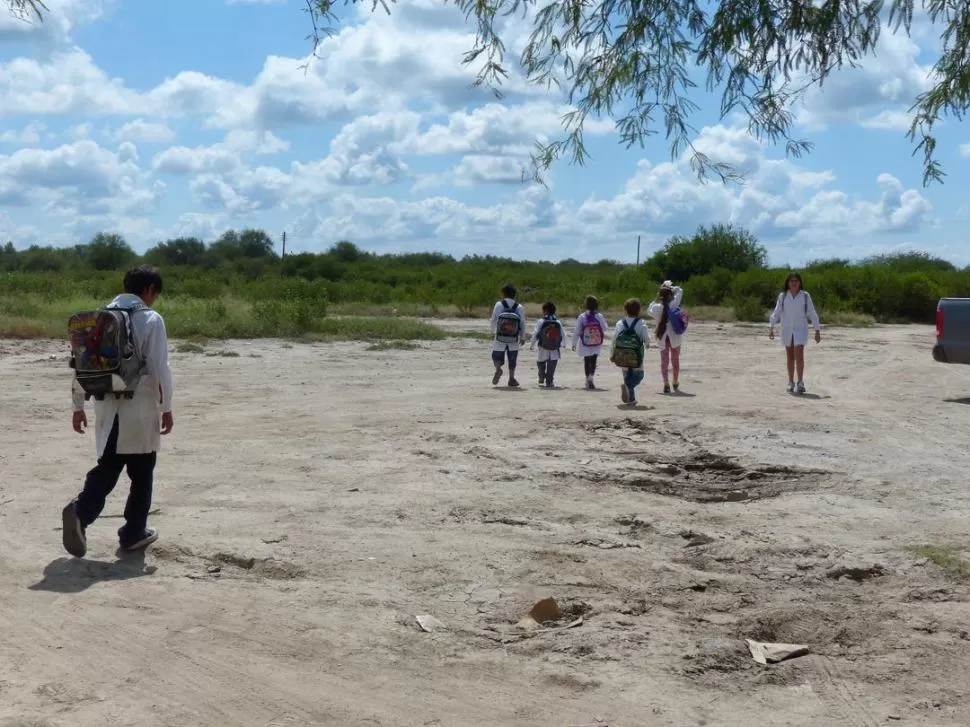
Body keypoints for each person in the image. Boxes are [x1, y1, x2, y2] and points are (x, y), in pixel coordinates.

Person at [62, 265, 174, 558]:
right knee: (142, 472)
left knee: (110, 464)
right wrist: (167, 407)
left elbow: (80, 362)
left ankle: (81, 512)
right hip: (139, 407)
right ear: (149, 289)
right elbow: (161, 367)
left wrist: (77, 406)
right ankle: (133, 532)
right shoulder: (150, 319)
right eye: (155, 294)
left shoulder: (98, 318)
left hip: (105, 403)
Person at [768, 271, 822, 394]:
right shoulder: (783, 296)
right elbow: (776, 312)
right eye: (791, 281)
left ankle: (801, 382)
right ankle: (791, 382)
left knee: (799, 355)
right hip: (787, 328)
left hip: (800, 328)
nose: (793, 283)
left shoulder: (805, 296)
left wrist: (817, 330)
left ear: (799, 283)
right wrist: (771, 326)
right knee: (790, 357)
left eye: (796, 281)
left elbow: (812, 313)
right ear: (788, 283)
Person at [647, 280, 685, 394]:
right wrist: (671, 288)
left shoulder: (656, 308)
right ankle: (675, 381)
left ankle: (666, 383)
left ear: (660, 296)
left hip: (662, 337)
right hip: (675, 338)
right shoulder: (674, 305)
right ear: (670, 295)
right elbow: (680, 291)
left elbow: (648, 310)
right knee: (675, 361)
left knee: (664, 362)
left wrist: (656, 298)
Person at [610, 298, 650, 406]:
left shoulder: (620, 323)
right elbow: (646, 338)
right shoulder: (641, 323)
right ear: (638, 310)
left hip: (621, 354)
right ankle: (629, 388)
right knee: (639, 375)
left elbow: (614, 339)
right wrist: (647, 344)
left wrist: (612, 354)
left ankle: (631, 398)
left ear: (625, 310)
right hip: (636, 355)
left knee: (626, 374)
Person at [490, 283, 527, 387]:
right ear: (514, 295)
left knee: (496, 356)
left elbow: (493, 320)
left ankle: (498, 369)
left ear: (503, 293)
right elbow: (522, 323)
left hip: (500, 336)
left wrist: (493, 332)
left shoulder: (498, 304)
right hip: (514, 337)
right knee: (512, 358)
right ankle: (511, 379)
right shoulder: (519, 307)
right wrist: (523, 337)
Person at [572, 295, 609, 390]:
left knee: (586, 360)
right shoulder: (599, 316)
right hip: (596, 342)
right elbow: (604, 327)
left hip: (585, 342)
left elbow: (577, 330)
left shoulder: (582, 316)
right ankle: (591, 377)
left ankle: (587, 379)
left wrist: (574, 343)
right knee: (594, 360)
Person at [530, 301, 567, 387]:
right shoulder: (557, 322)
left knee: (540, 362)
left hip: (543, 347)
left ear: (545, 311)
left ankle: (542, 375)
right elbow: (563, 334)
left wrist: (532, 345)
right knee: (552, 365)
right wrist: (564, 344)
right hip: (554, 348)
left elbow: (536, 334)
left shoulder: (541, 321)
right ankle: (549, 381)